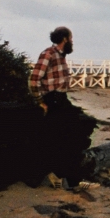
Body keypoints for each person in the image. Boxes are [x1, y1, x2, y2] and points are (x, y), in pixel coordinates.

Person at [29, 28, 94, 186]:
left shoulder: (60, 56)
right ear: (65, 39)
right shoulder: (49, 54)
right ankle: (72, 181)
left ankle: (68, 177)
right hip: (53, 100)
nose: (72, 41)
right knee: (69, 135)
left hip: (61, 100)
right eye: (71, 38)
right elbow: (34, 78)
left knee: (77, 132)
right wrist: (40, 101)